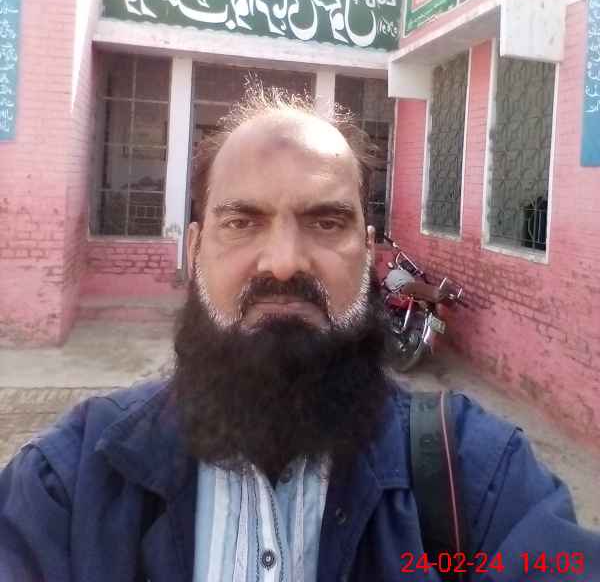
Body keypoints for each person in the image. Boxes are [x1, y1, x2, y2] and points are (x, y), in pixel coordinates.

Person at [1, 86, 599, 581]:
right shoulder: (71, 484)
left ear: (367, 253)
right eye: (242, 221)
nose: (284, 262)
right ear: (195, 249)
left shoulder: (475, 475)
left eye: (327, 222)